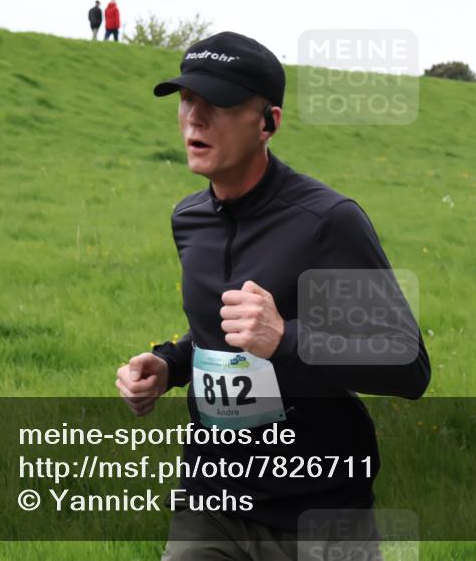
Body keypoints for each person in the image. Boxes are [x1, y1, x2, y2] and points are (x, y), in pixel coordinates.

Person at [115, 31, 430, 559]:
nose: (195, 116)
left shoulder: (327, 222)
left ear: (269, 123)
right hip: (211, 501)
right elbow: (219, 333)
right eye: (188, 99)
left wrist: (287, 338)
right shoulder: (189, 220)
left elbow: (408, 366)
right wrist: (169, 366)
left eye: (217, 103)